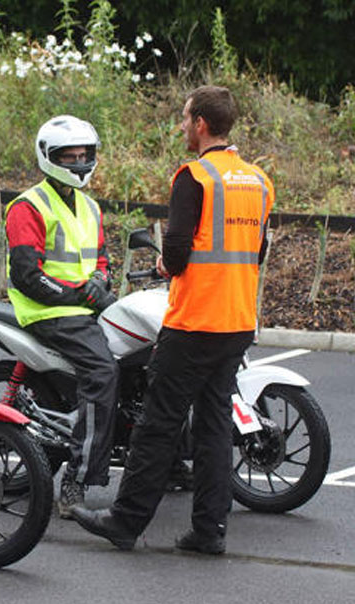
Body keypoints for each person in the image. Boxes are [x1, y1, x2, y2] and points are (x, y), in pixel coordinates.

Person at [73, 85, 274, 554]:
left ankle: (125, 522)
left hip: (194, 321)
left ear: (201, 124)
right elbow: (258, 249)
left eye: (185, 119)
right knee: (213, 427)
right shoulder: (259, 180)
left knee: (158, 424)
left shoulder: (194, 177)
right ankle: (209, 531)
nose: (182, 126)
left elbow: (178, 253)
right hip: (238, 320)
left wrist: (166, 264)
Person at [5, 115, 119, 519]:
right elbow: (27, 275)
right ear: (48, 158)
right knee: (103, 373)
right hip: (48, 311)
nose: (77, 162)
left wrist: (102, 282)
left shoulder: (90, 206)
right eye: (68, 156)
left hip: (85, 307)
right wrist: (77, 294)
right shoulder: (27, 207)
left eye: (84, 155)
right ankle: (78, 478)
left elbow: (102, 259)